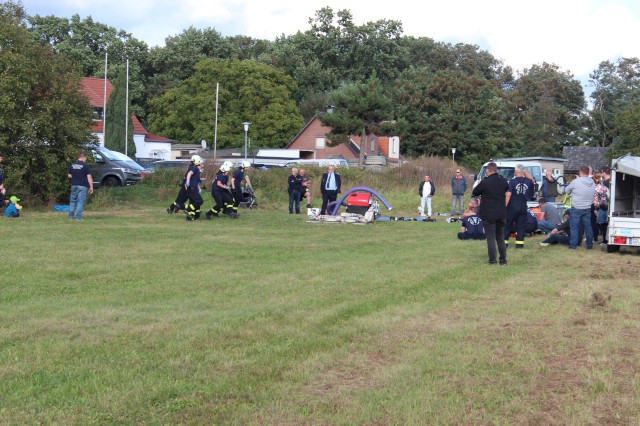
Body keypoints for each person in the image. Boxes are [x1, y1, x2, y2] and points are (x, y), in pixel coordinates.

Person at [472, 162, 509, 265]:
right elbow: (506, 188)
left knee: (491, 237)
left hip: (489, 213)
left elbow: (475, 192)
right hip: (501, 213)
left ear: (488, 171)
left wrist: (480, 184)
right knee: (500, 237)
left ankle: (492, 260)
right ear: (496, 170)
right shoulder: (503, 181)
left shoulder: (485, 182)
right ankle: (503, 260)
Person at [565, 165, 596, 249]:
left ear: (580, 172)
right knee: (588, 227)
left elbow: (567, 190)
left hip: (577, 207)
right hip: (587, 207)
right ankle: (589, 245)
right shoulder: (592, 182)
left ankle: (573, 245)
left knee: (574, 227)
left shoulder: (576, 182)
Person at [503, 164, 534, 249]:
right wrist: (524, 170)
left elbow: (508, 194)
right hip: (523, 206)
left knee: (507, 226)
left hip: (512, 206)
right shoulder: (528, 181)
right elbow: (532, 180)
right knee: (521, 227)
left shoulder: (512, 181)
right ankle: (519, 245)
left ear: (515, 172)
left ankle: (504, 244)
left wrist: (504, 206)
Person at [67, 151, 94, 221]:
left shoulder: (72, 165)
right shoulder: (85, 165)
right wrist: (91, 187)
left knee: (73, 201)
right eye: (86, 158)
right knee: (80, 202)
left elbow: (69, 175)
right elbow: (89, 177)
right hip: (82, 186)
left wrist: (75, 176)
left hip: (73, 185)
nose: (86, 160)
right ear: (83, 157)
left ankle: (70, 217)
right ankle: (78, 218)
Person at [183, 155, 205, 221]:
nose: (202, 164)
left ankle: (189, 218)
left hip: (191, 188)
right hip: (192, 188)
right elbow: (189, 173)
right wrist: (188, 181)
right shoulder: (195, 168)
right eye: (201, 163)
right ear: (197, 162)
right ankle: (187, 209)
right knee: (200, 201)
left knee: (193, 202)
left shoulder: (195, 169)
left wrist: (199, 188)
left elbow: (196, 180)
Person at [593, 171, 609, 244]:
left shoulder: (596, 188)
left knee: (602, 224)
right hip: (606, 206)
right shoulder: (604, 187)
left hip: (601, 208)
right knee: (604, 224)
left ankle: (604, 240)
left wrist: (595, 209)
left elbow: (595, 201)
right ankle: (604, 239)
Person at [599, 167, 612, 243]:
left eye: (601, 172)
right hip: (608, 205)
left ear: (604, 172)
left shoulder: (606, 182)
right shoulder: (611, 181)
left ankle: (605, 239)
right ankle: (605, 238)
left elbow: (605, 195)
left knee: (603, 222)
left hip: (605, 205)